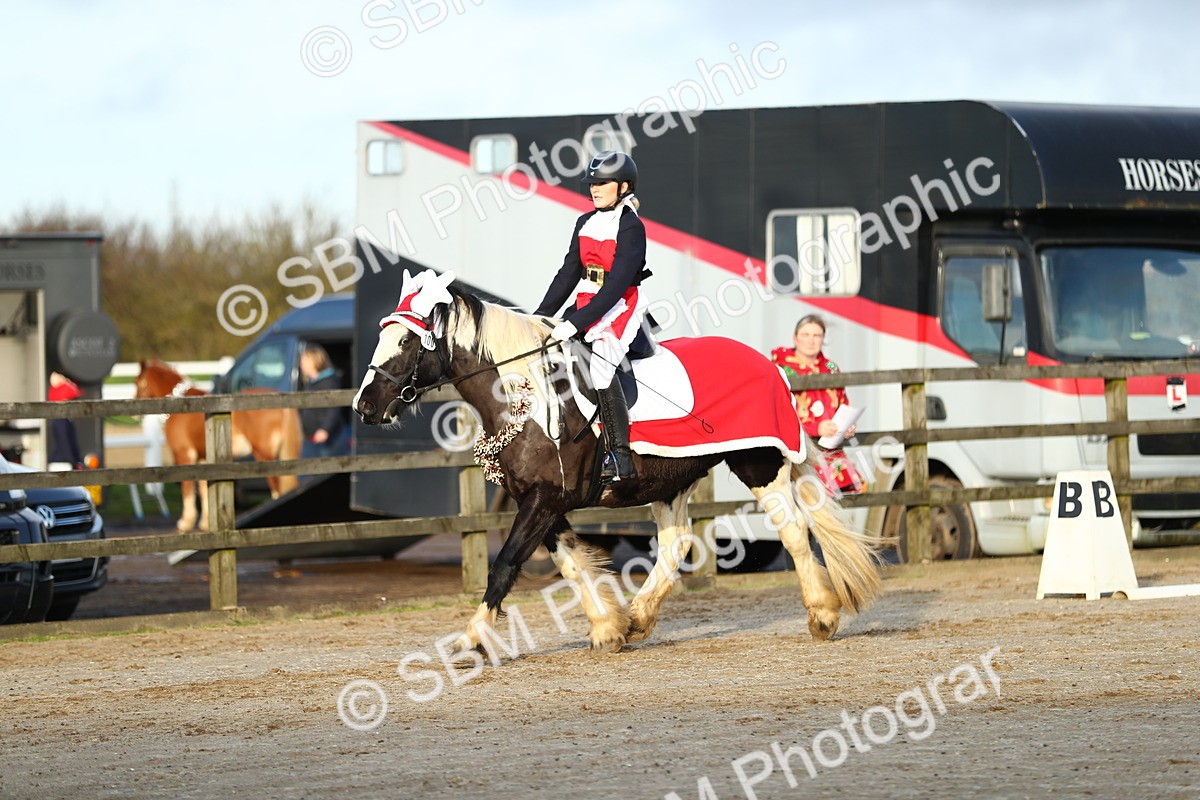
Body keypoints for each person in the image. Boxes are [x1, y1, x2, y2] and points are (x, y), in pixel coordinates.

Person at [534, 150, 652, 485]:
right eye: (592, 184)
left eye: (602, 183)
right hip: (587, 300)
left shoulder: (631, 227)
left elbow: (616, 286)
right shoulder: (584, 222)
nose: (594, 189)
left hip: (620, 305)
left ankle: (620, 457)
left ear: (623, 186)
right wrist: (540, 318)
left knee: (600, 365)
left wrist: (574, 323)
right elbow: (567, 274)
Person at [771, 315, 863, 495]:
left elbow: (842, 402)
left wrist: (847, 425)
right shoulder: (780, 369)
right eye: (805, 335)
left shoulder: (831, 368)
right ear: (795, 338)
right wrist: (815, 428)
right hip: (797, 452)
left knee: (833, 503)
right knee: (802, 501)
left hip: (830, 451)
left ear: (823, 339)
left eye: (817, 335)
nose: (811, 341)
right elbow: (777, 410)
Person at [299, 344, 350, 460]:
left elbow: (333, 408)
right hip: (311, 436)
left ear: (315, 361)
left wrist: (325, 429)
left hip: (327, 439)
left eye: (305, 361)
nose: (301, 365)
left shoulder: (328, 382)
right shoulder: (311, 382)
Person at [47, 371, 84, 471]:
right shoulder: (61, 421)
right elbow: (65, 444)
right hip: (62, 463)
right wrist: (73, 462)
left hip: (63, 462)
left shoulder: (65, 420)